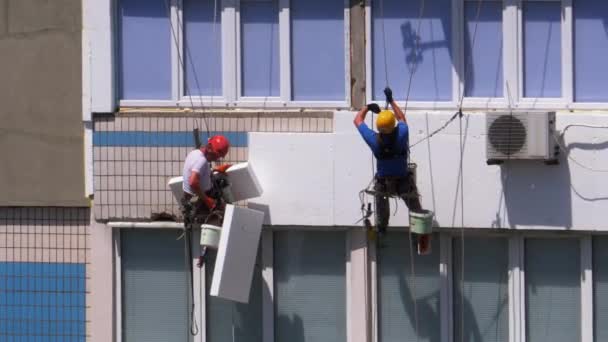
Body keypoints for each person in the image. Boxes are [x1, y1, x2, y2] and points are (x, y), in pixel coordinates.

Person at [353, 87, 431, 254]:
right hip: (403, 181)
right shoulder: (402, 134)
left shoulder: (374, 140)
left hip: (383, 183)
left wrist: (367, 107)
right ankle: (421, 239)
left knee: (382, 214)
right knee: (416, 209)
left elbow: (358, 121)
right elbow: (402, 117)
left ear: (379, 128)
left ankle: (381, 232)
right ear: (393, 126)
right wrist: (391, 100)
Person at [182, 135, 231, 267]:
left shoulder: (195, 153)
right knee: (224, 215)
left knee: (222, 181)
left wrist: (213, 171)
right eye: (217, 154)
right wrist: (208, 201)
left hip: (197, 194)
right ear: (209, 147)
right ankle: (203, 255)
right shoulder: (202, 161)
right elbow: (193, 182)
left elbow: (199, 174)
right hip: (200, 199)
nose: (218, 158)